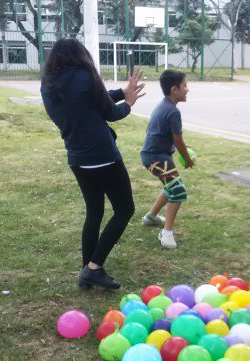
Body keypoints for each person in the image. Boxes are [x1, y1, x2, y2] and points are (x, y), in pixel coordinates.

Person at [41, 37, 145, 289]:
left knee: (95, 211)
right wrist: (129, 102)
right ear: (81, 55)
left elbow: (92, 101)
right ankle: (95, 267)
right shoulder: (85, 75)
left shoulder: (49, 83)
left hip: (77, 159)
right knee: (124, 209)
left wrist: (122, 91)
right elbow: (110, 111)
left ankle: (86, 270)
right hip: (103, 156)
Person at [140, 69, 193, 249]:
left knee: (171, 185)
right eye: (185, 85)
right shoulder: (172, 112)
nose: (187, 89)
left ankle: (151, 217)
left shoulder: (165, 105)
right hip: (155, 157)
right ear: (174, 89)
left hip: (156, 155)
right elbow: (178, 140)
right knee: (178, 190)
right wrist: (187, 159)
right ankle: (166, 233)